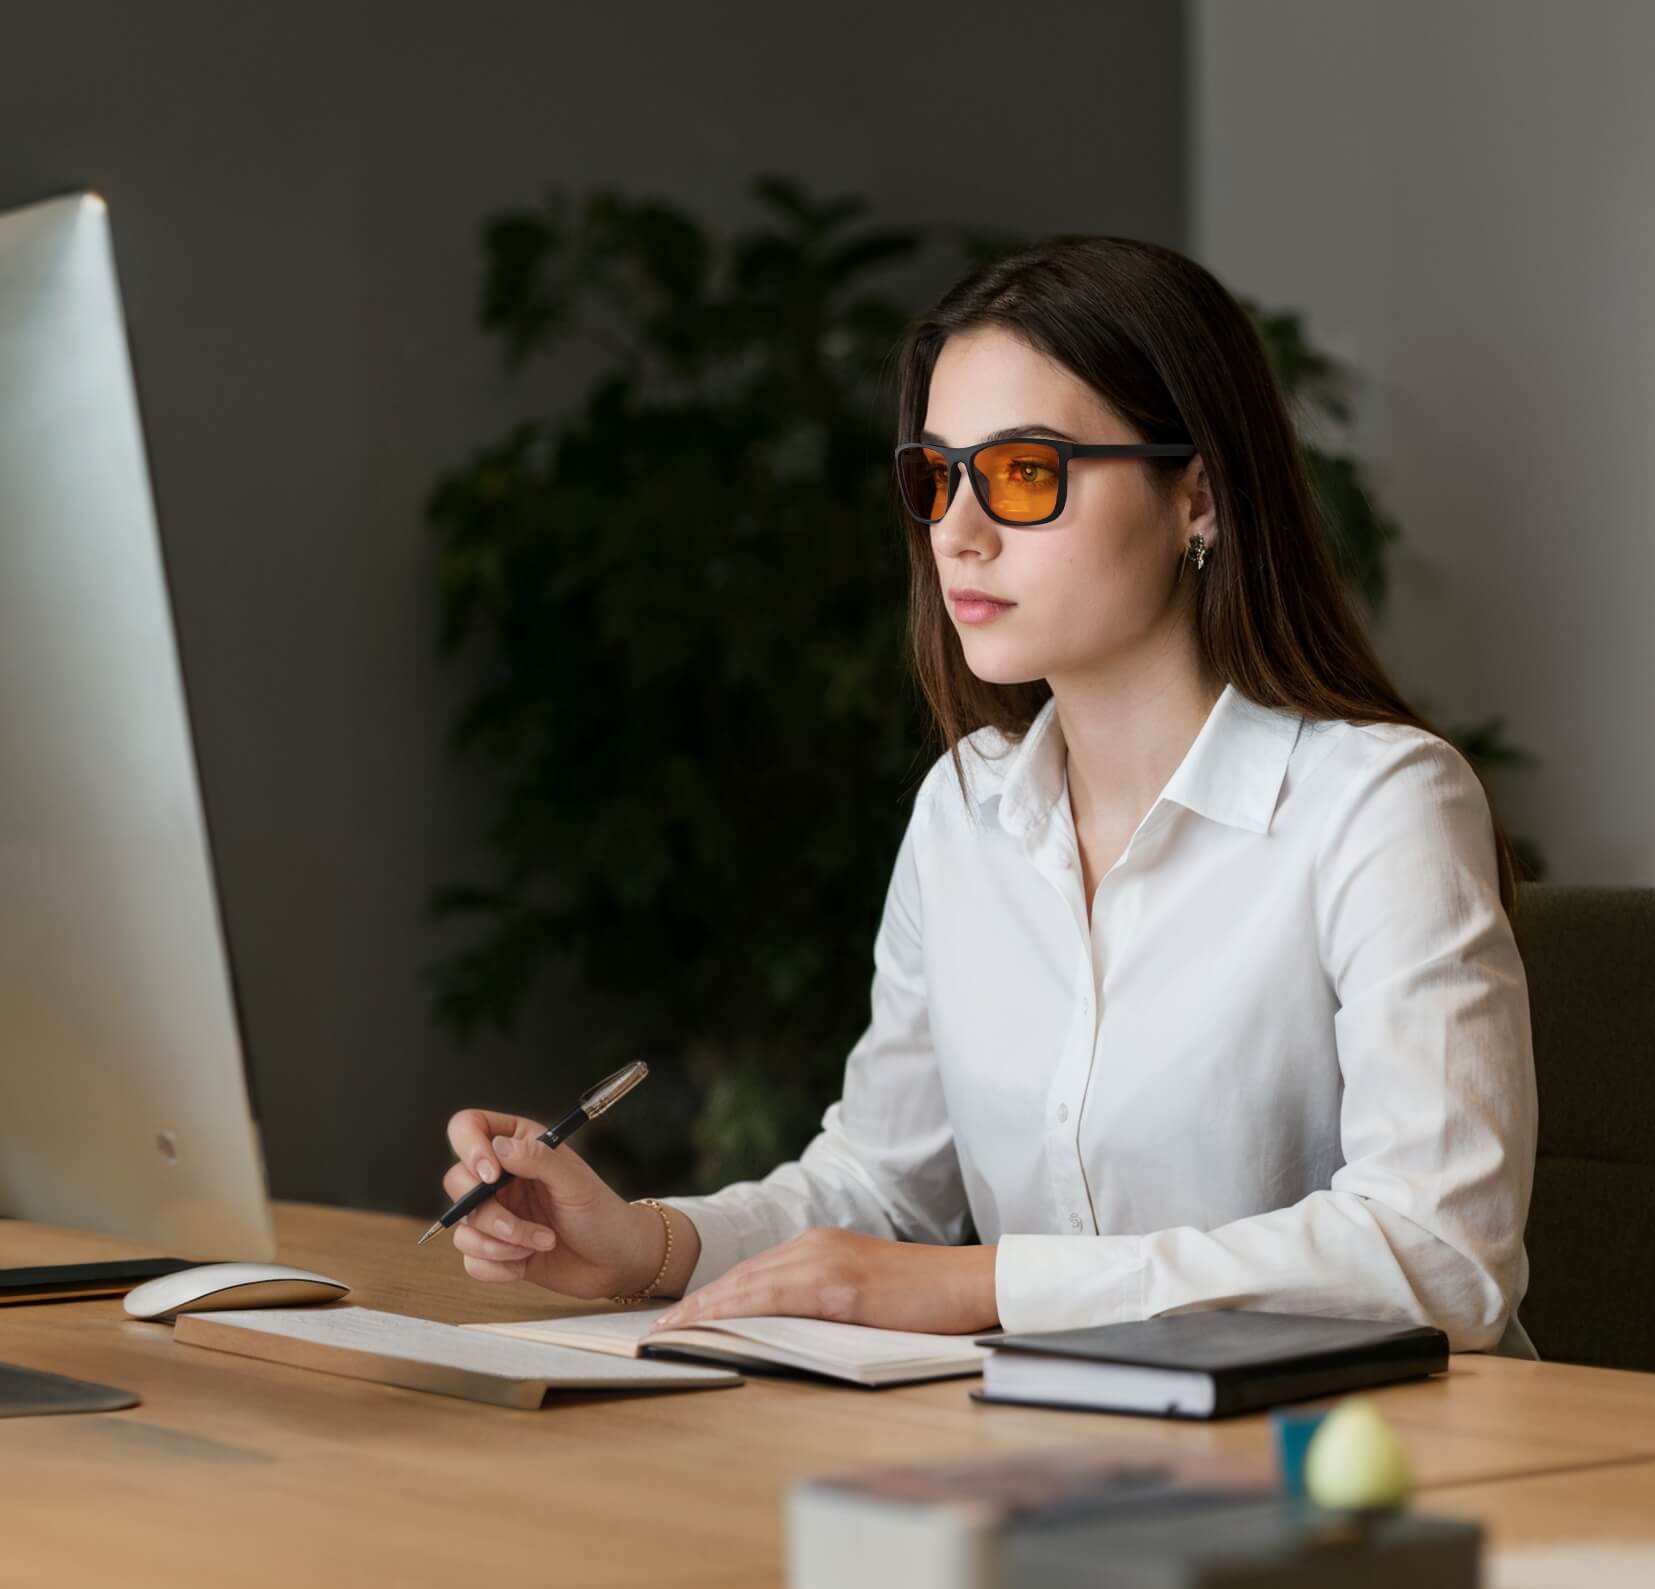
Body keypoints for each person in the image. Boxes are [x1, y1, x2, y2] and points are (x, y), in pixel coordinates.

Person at [439, 235, 1539, 1356]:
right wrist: (646, 1245)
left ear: (1196, 495)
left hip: (1379, 1469)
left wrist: (988, 1285)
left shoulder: (1378, 804)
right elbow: (880, 1192)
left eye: (1023, 473)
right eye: (934, 476)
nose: (956, 533)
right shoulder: (962, 808)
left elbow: (1438, 1253)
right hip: (1061, 1440)